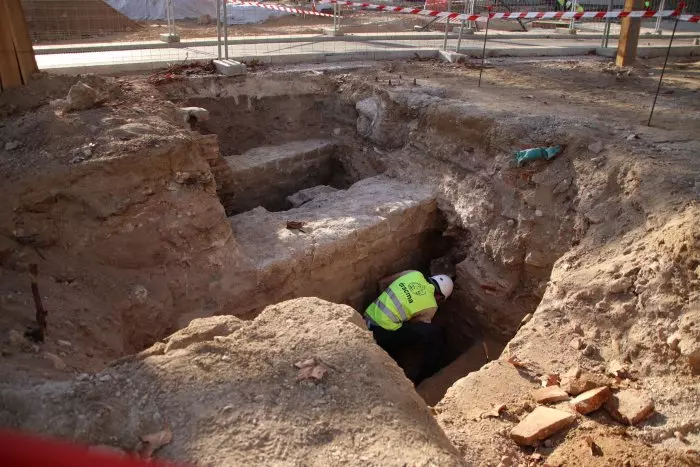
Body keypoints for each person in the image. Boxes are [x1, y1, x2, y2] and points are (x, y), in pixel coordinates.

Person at [364, 270, 454, 385]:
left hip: (367, 317)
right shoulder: (431, 305)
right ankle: (426, 378)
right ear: (440, 296)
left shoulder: (413, 274)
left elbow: (382, 283)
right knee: (434, 334)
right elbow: (417, 325)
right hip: (380, 334)